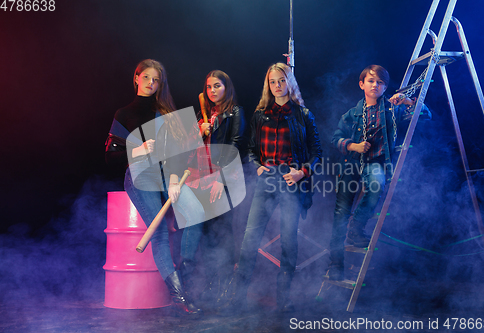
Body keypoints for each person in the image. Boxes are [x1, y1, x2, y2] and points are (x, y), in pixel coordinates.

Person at [105, 59, 205, 315]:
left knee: (196, 214)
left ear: (161, 83)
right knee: (159, 231)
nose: (151, 83)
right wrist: (136, 150)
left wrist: (173, 180)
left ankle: (184, 272)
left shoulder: (166, 113)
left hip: (168, 176)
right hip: (140, 176)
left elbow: (177, 153)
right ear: (136, 78)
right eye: (146, 77)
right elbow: (110, 156)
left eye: (156, 79)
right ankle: (181, 295)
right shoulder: (123, 114)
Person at [228, 62, 322, 313]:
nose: (277, 85)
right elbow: (250, 149)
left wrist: (302, 172)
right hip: (267, 180)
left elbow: (317, 153)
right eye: (272, 81)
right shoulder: (260, 114)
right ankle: (237, 298)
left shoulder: (303, 114)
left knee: (289, 241)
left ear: (289, 82)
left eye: (282, 80)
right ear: (267, 85)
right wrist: (257, 165)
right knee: (250, 239)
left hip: (292, 181)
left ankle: (284, 298)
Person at [327, 64, 431, 281]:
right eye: (371, 81)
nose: (375, 85)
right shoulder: (351, 114)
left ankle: (357, 229)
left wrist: (409, 101)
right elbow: (335, 139)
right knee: (340, 215)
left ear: (385, 87)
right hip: (350, 163)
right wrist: (353, 146)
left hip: (374, 162)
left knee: (376, 184)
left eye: (380, 82)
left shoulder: (392, 109)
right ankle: (336, 266)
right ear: (361, 84)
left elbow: (425, 115)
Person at [180, 70, 246, 309]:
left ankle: (226, 288)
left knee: (223, 233)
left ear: (226, 87)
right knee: (207, 235)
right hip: (200, 180)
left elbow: (236, 145)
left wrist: (221, 178)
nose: (212, 91)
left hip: (222, 180)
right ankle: (210, 285)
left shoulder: (235, 112)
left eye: (217, 86)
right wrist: (200, 131)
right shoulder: (203, 114)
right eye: (209, 87)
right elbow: (190, 146)